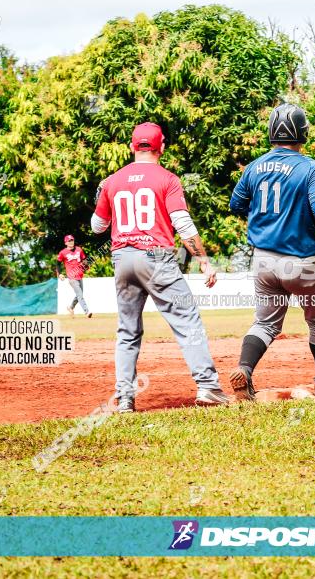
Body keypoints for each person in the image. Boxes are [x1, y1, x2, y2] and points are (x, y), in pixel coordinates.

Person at [91, 122, 232, 412]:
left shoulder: (112, 181)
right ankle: (208, 387)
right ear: (162, 147)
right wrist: (203, 260)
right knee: (187, 320)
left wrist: (100, 198)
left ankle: (125, 397)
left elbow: (97, 226)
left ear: (132, 147)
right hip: (156, 258)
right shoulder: (168, 179)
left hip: (122, 259)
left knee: (127, 331)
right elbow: (182, 223)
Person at [228, 103, 315, 401]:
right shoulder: (312, 168)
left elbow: (237, 205)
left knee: (265, 323)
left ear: (272, 133)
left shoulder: (255, 167)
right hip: (303, 262)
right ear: (303, 133)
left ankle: (245, 370)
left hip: (263, 260)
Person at [57, 235, 91, 318]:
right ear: (65, 243)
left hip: (79, 275)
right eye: (69, 241)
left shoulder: (79, 250)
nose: (71, 242)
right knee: (80, 294)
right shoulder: (62, 252)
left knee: (79, 294)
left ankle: (71, 307)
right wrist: (60, 274)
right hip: (71, 276)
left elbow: (84, 259)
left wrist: (86, 265)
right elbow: (58, 263)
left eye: (72, 240)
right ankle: (87, 312)